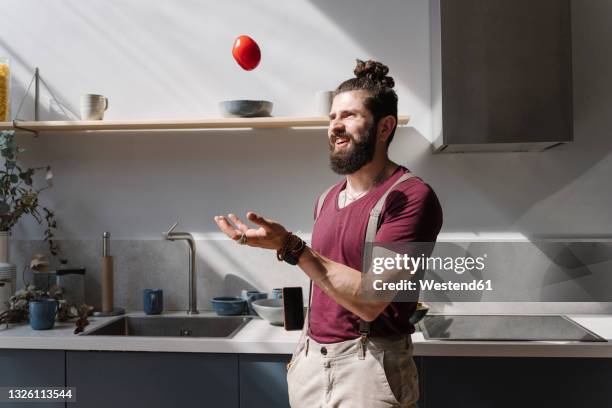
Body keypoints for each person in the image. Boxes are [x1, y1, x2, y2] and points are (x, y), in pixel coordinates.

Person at [214, 59, 443, 408]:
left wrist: (293, 247)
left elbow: (370, 301)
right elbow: (325, 282)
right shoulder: (326, 200)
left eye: (349, 116)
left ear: (385, 128)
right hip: (310, 363)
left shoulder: (410, 196)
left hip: (368, 371)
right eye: (332, 117)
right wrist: (287, 248)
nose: (335, 127)